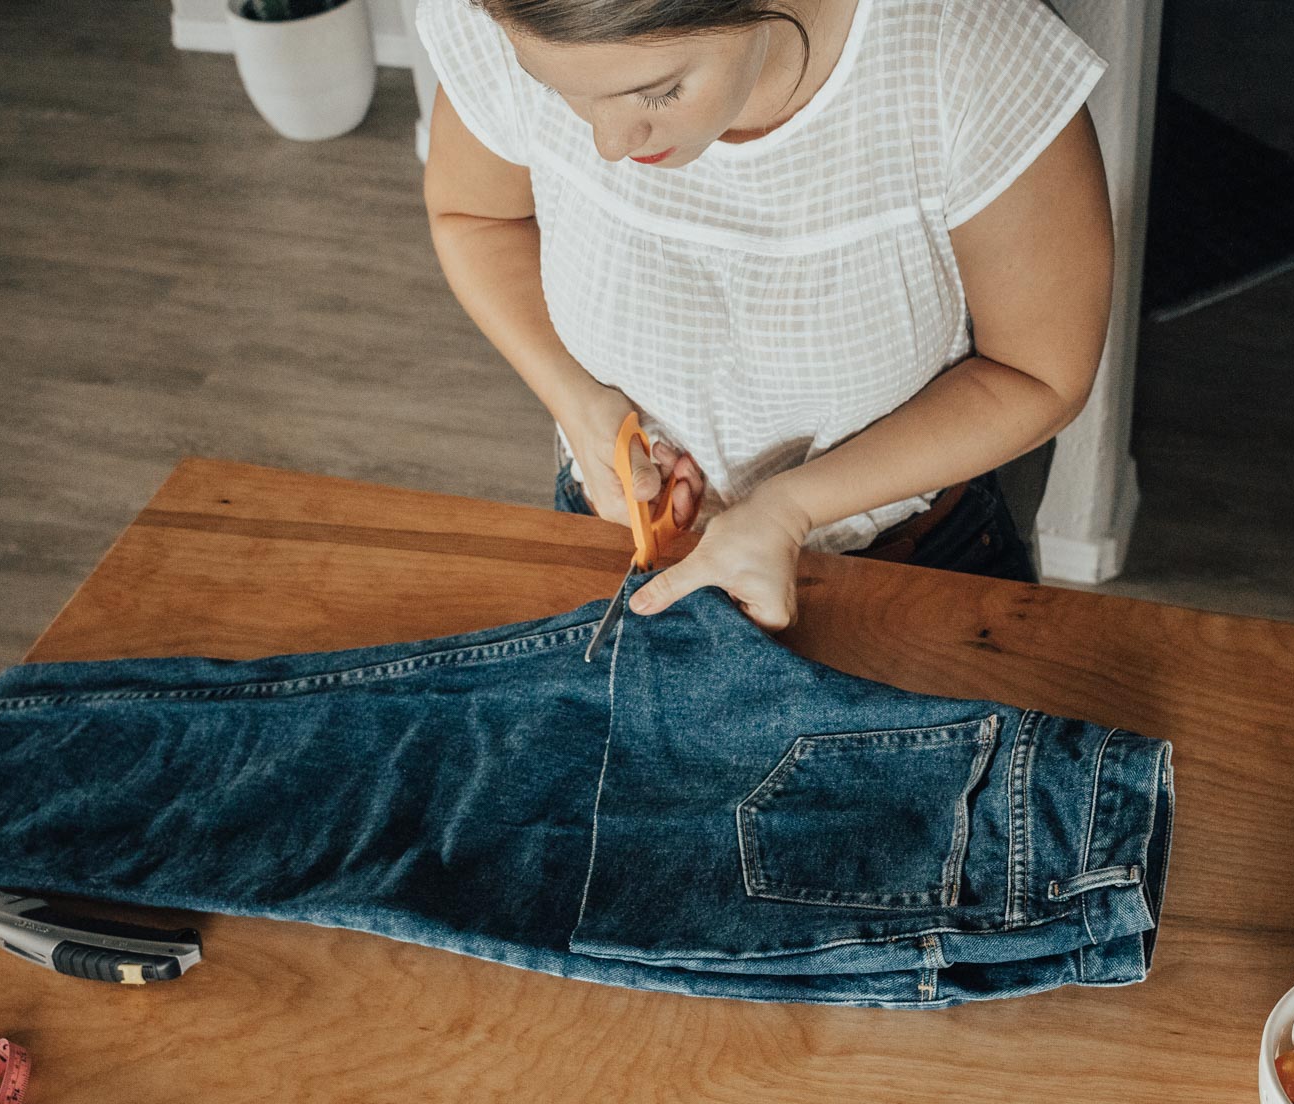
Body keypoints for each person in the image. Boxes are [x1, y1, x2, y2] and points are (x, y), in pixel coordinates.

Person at [417, 0, 1113, 631]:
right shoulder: (512, 12)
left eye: (657, 91)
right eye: (557, 90)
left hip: (911, 562)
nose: (609, 143)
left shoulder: (969, 57)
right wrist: (578, 402)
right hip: (620, 530)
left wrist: (791, 507)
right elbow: (475, 216)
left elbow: (1040, 374)